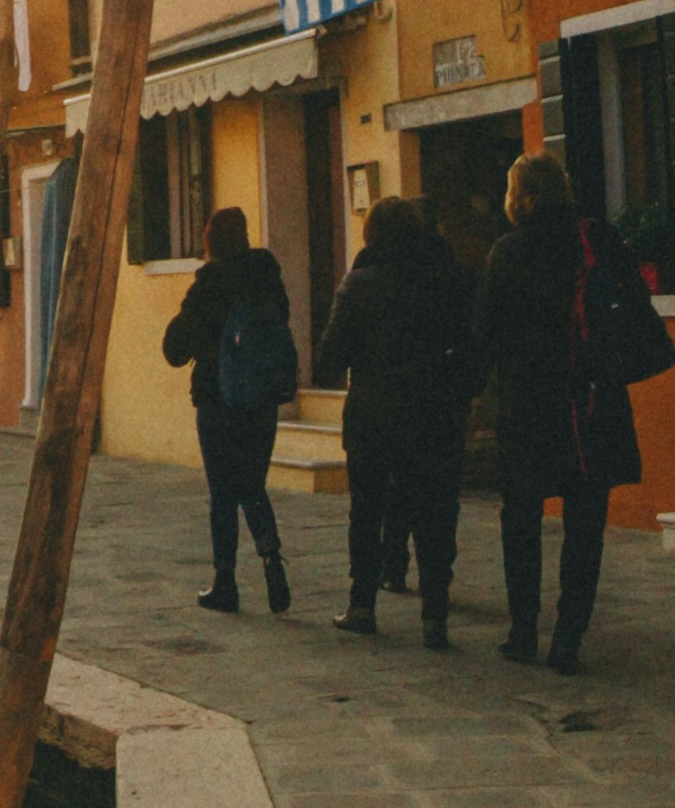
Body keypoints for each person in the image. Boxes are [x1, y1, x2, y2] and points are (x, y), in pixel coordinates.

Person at [474, 154, 638, 672]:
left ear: (517, 196)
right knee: (585, 521)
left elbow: (486, 333)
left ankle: (523, 629)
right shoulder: (599, 239)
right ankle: (569, 634)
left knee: (520, 517)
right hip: (592, 400)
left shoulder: (507, 252)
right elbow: (633, 305)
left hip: (529, 402)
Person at [317, 194, 475, 646]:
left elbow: (330, 357)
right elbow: (470, 346)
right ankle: (434, 616)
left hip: (372, 413)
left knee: (366, 512)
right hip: (432, 411)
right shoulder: (446, 282)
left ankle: (362, 604)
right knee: (434, 512)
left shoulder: (359, 284)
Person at [160, 206, 295, 613]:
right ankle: (271, 555)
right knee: (252, 483)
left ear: (210, 243)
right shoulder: (268, 278)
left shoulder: (209, 284)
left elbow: (174, 348)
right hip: (261, 399)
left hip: (217, 400)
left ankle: (225, 581)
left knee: (222, 492)